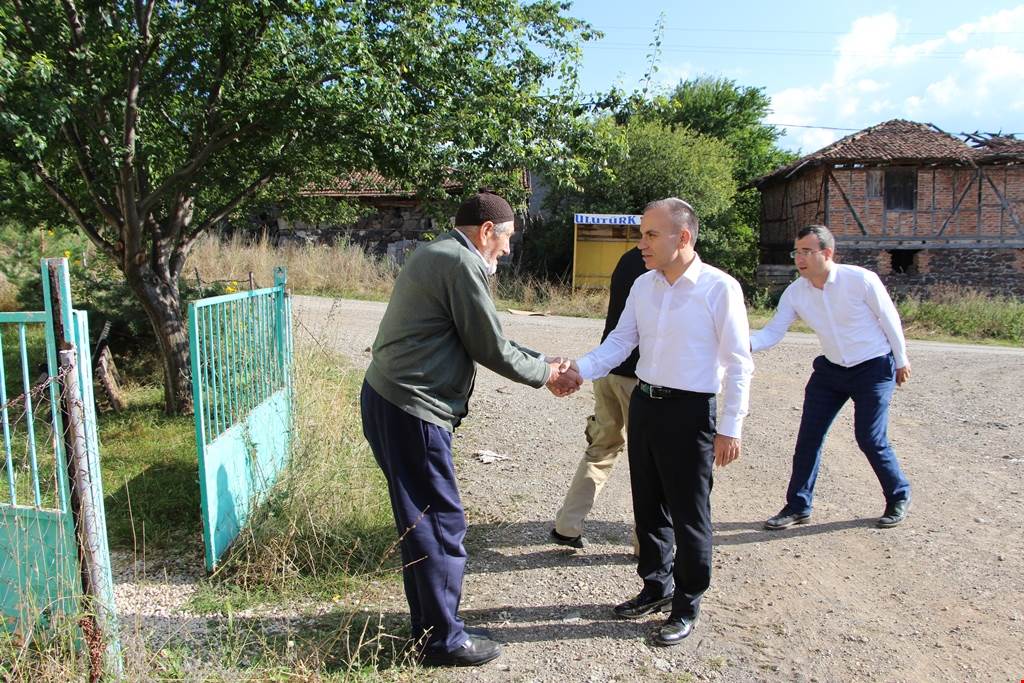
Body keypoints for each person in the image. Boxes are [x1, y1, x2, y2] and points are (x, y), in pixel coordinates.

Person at [360, 191, 581, 667]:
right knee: (440, 523)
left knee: (422, 523)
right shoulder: (462, 263)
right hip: (413, 409)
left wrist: (541, 360)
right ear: (486, 232)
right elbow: (489, 346)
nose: (507, 249)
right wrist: (547, 375)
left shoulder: (439, 252)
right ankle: (442, 641)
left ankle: (429, 629)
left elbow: (481, 332)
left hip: (390, 399)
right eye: (506, 239)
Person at [569, 198, 753, 647]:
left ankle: (687, 604)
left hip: (691, 412)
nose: (642, 243)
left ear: (683, 237)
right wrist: (578, 369)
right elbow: (620, 342)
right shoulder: (643, 285)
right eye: (642, 233)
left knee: (690, 514)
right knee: (648, 506)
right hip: (646, 404)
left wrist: (730, 427)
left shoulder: (719, 288)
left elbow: (739, 362)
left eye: (651, 234)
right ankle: (656, 585)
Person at [751, 224, 912, 531]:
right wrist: (739, 344)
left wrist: (901, 360)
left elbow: (888, 317)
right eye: (796, 252)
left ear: (827, 253)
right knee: (808, 438)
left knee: (869, 438)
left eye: (806, 252)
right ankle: (798, 506)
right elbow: (772, 332)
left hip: (873, 367)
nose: (799, 258)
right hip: (831, 370)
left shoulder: (860, 279)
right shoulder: (796, 292)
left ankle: (898, 496)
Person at [551, 246, 646, 551]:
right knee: (648, 462)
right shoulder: (664, 263)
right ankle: (647, 544)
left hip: (607, 371)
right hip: (640, 378)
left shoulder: (628, 258)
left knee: (601, 449)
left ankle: (567, 525)